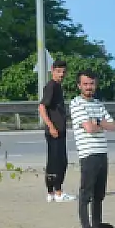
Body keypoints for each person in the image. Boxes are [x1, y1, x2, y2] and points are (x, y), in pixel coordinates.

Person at [68, 70, 115, 228]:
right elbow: (88, 128)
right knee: (86, 193)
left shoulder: (98, 104)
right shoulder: (76, 103)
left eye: (91, 84)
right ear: (79, 85)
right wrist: (98, 123)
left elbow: (112, 126)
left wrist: (97, 122)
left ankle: (97, 227)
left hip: (102, 153)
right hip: (88, 153)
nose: (89, 87)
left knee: (99, 194)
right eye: (85, 84)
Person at [38, 60, 73, 203]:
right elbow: (41, 107)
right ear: (52, 70)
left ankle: (51, 192)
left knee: (55, 161)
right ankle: (57, 192)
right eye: (59, 71)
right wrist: (51, 126)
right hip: (55, 130)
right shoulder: (51, 86)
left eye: (64, 72)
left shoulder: (58, 86)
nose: (61, 74)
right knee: (59, 161)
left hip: (59, 129)